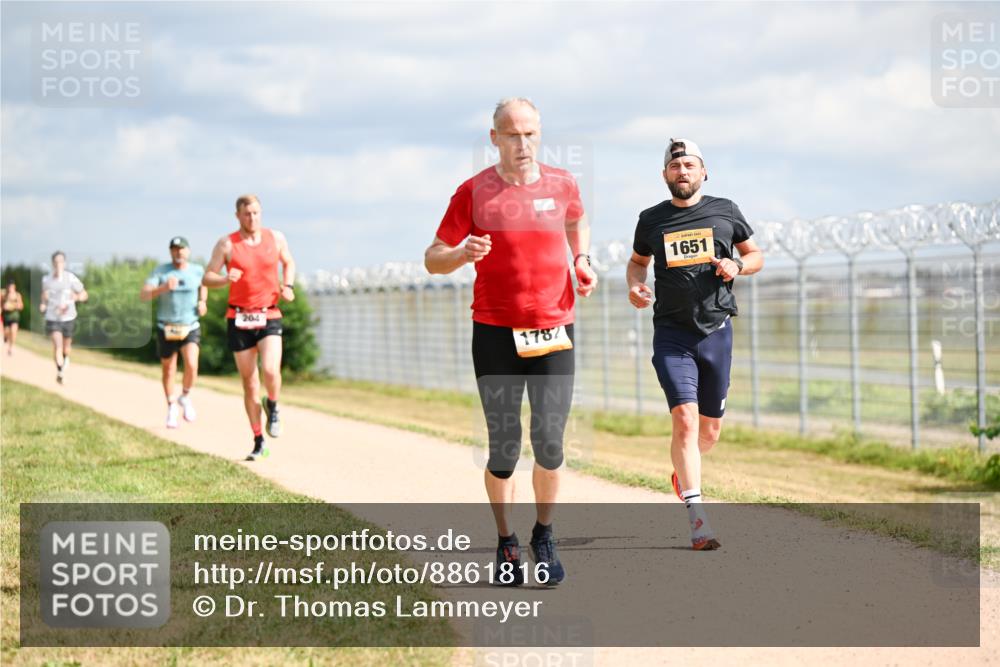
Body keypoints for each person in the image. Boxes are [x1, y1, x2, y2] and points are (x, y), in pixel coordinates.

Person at [424, 98, 597, 586]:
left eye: (530, 133)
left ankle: (544, 533)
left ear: (539, 134)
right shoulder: (473, 192)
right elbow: (432, 258)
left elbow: (576, 220)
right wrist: (462, 253)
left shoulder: (562, 183)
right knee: (504, 446)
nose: (523, 143)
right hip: (496, 331)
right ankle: (506, 540)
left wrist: (581, 259)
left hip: (554, 328)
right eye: (512, 134)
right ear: (494, 138)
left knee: (549, 441)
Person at [627, 138, 763, 550]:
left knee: (709, 431)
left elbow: (755, 256)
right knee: (684, 421)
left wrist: (737, 264)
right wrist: (635, 285)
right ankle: (698, 518)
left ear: (704, 172)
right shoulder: (651, 220)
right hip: (672, 334)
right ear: (664, 175)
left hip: (716, 331)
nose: (682, 171)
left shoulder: (726, 211)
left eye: (689, 165)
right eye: (675, 166)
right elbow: (637, 263)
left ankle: (683, 472)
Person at [203, 194, 296, 461]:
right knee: (250, 383)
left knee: (270, 370)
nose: (252, 218)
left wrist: (288, 285)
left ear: (261, 213)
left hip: (269, 313)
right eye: (246, 214)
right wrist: (224, 279)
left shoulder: (275, 238)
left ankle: (273, 406)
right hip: (239, 318)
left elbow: (288, 262)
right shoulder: (227, 244)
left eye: (256, 213)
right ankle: (258, 441)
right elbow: (207, 277)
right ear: (238, 216)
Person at [141, 236, 207, 429]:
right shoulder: (161, 271)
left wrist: (203, 301)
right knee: (169, 369)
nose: (179, 252)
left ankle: (185, 396)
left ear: (188, 251)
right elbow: (144, 295)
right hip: (166, 327)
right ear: (170, 251)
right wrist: (163, 288)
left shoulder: (197, 270)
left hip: (190, 325)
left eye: (182, 248)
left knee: (192, 364)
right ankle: (171, 406)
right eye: (175, 249)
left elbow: (203, 286)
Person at [40, 251, 87, 384]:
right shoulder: (47, 280)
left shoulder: (71, 278)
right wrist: (43, 304)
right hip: (52, 317)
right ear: (52, 263)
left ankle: (65, 358)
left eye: (60, 261)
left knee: (66, 348)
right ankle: (60, 372)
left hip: (68, 317)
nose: (58, 264)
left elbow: (84, 294)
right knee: (58, 346)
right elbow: (44, 296)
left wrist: (77, 297)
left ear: (64, 263)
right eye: (56, 261)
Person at [2, 280, 25, 356]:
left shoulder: (17, 295)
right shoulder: (4, 295)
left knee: (13, 331)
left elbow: (21, 306)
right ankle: (6, 337)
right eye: (9, 286)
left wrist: (13, 306)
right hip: (6, 317)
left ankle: (11, 348)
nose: (10, 288)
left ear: (14, 287)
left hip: (15, 317)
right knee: (6, 332)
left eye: (11, 286)